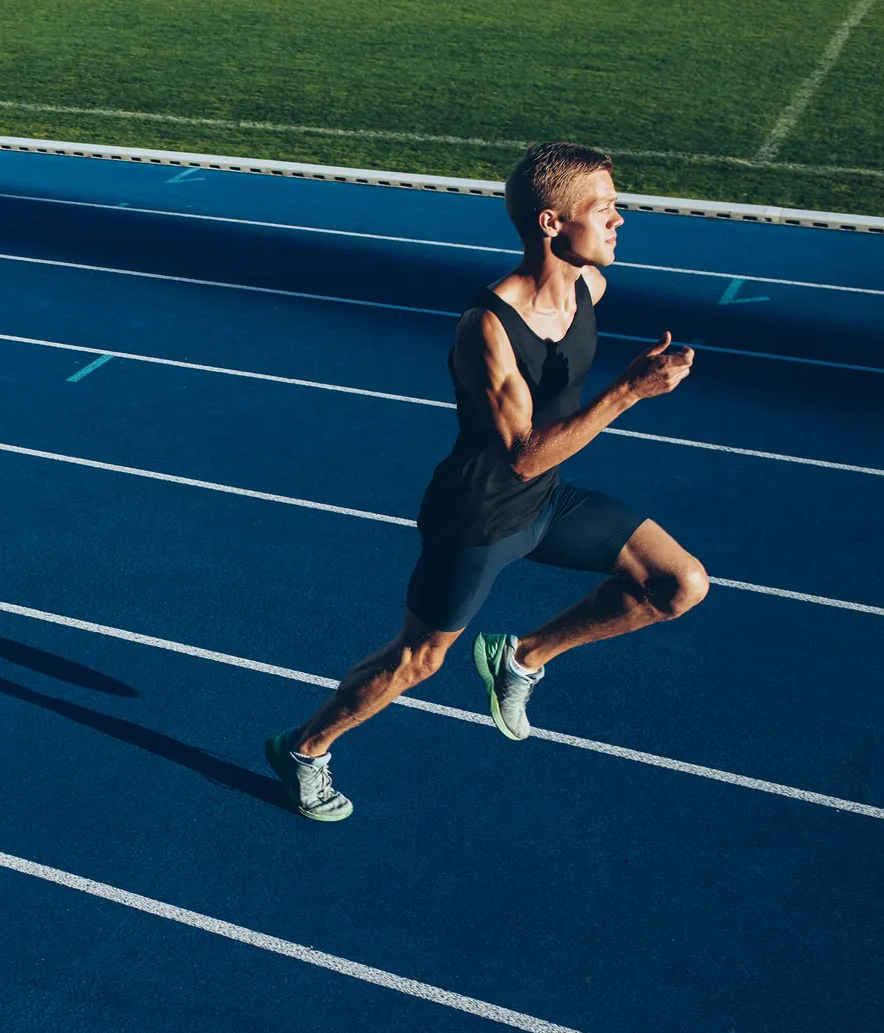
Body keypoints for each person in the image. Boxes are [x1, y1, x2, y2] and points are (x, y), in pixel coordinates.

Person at [265, 142, 707, 821]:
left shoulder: (590, 287)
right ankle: (305, 749)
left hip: (547, 501)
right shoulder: (488, 327)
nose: (620, 221)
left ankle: (523, 657)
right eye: (605, 209)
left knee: (679, 584)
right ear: (551, 223)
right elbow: (523, 455)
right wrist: (628, 392)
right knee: (417, 661)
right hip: (478, 516)